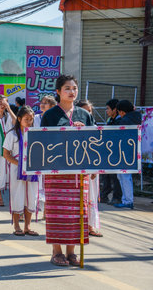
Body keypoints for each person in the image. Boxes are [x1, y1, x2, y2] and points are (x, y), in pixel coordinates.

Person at [41, 74, 94, 267]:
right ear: (58, 92)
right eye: (67, 89)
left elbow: (94, 141)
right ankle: (57, 251)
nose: (72, 92)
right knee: (57, 212)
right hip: (57, 172)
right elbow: (44, 143)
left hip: (79, 172)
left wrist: (83, 132)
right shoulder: (50, 115)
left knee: (77, 212)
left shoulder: (84, 114)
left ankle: (72, 252)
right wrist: (69, 132)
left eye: (74, 88)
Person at [3, 106, 39, 236]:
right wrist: (20, 164)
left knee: (31, 197)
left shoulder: (35, 133)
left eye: (31, 119)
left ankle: (27, 227)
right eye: (26, 119)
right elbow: (6, 154)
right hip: (16, 170)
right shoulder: (12, 134)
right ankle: (17, 226)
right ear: (19, 119)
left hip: (32, 169)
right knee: (17, 196)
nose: (29, 122)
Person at [76, 99, 103, 237]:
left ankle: (90, 226)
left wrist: (95, 169)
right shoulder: (73, 127)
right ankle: (77, 227)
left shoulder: (95, 128)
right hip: (75, 171)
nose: (87, 113)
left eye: (90, 111)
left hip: (92, 169)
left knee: (91, 197)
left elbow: (99, 150)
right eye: (84, 111)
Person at [114, 100, 142, 209]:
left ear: (122, 112)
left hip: (125, 152)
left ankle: (127, 201)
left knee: (124, 176)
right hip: (133, 151)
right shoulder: (136, 117)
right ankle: (127, 200)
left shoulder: (125, 121)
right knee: (124, 176)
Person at [34, 95, 57, 218]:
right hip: (37, 153)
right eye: (41, 102)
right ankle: (32, 209)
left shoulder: (55, 119)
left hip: (51, 154)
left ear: (52, 106)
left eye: (46, 103)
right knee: (37, 182)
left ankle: (47, 210)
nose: (42, 104)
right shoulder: (35, 118)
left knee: (48, 182)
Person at [0, 95, 16, 206]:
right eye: (0, 103)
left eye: (5, 103)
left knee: (5, 173)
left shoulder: (8, 116)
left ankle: (0, 195)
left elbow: (16, 122)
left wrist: (9, 109)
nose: (2, 105)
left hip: (8, 148)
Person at [100, 98, 122, 205]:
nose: (106, 111)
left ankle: (117, 197)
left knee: (115, 176)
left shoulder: (120, 121)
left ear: (115, 109)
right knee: (105, 175)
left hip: (116, 152)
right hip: (107, 151)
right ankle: (104, 195)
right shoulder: (110, 120)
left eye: (108, 109)